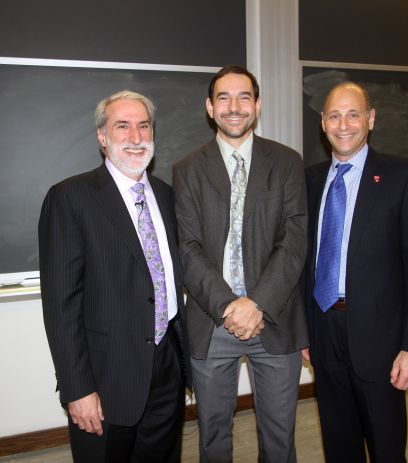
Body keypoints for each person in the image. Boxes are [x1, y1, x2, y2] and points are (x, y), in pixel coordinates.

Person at [39, 90, 190, 463]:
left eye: (144, 126)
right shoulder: (70, 198)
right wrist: (77, 389)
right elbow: (61, 306)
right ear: (102, 137)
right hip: (106, 379)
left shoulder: (167, 196)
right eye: (122, 126)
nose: (136, 137)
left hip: (167, 367)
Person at [172, 65, 308, 462]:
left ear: (257, 105)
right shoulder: (187, 169)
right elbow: (188, 248)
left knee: (280, 438)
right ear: (210, 107)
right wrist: (230, 306)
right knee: (213, 437)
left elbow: (293, 241)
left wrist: (257, 303)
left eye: (244, 97)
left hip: (275, 317)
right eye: (224, 98)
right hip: (212, 319)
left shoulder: (286, 162)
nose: (234, 107)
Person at [303, 81, 408, 462]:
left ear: (371, 118)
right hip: (323, 332)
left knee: (386, 448)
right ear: (323, 123)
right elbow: (304, 259)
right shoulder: (310, 180)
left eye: (353, 114)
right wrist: (304, 330)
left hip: (381, 341)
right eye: (334, 115)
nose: (343, 124)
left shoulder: (405, 177)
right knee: (338, 445)